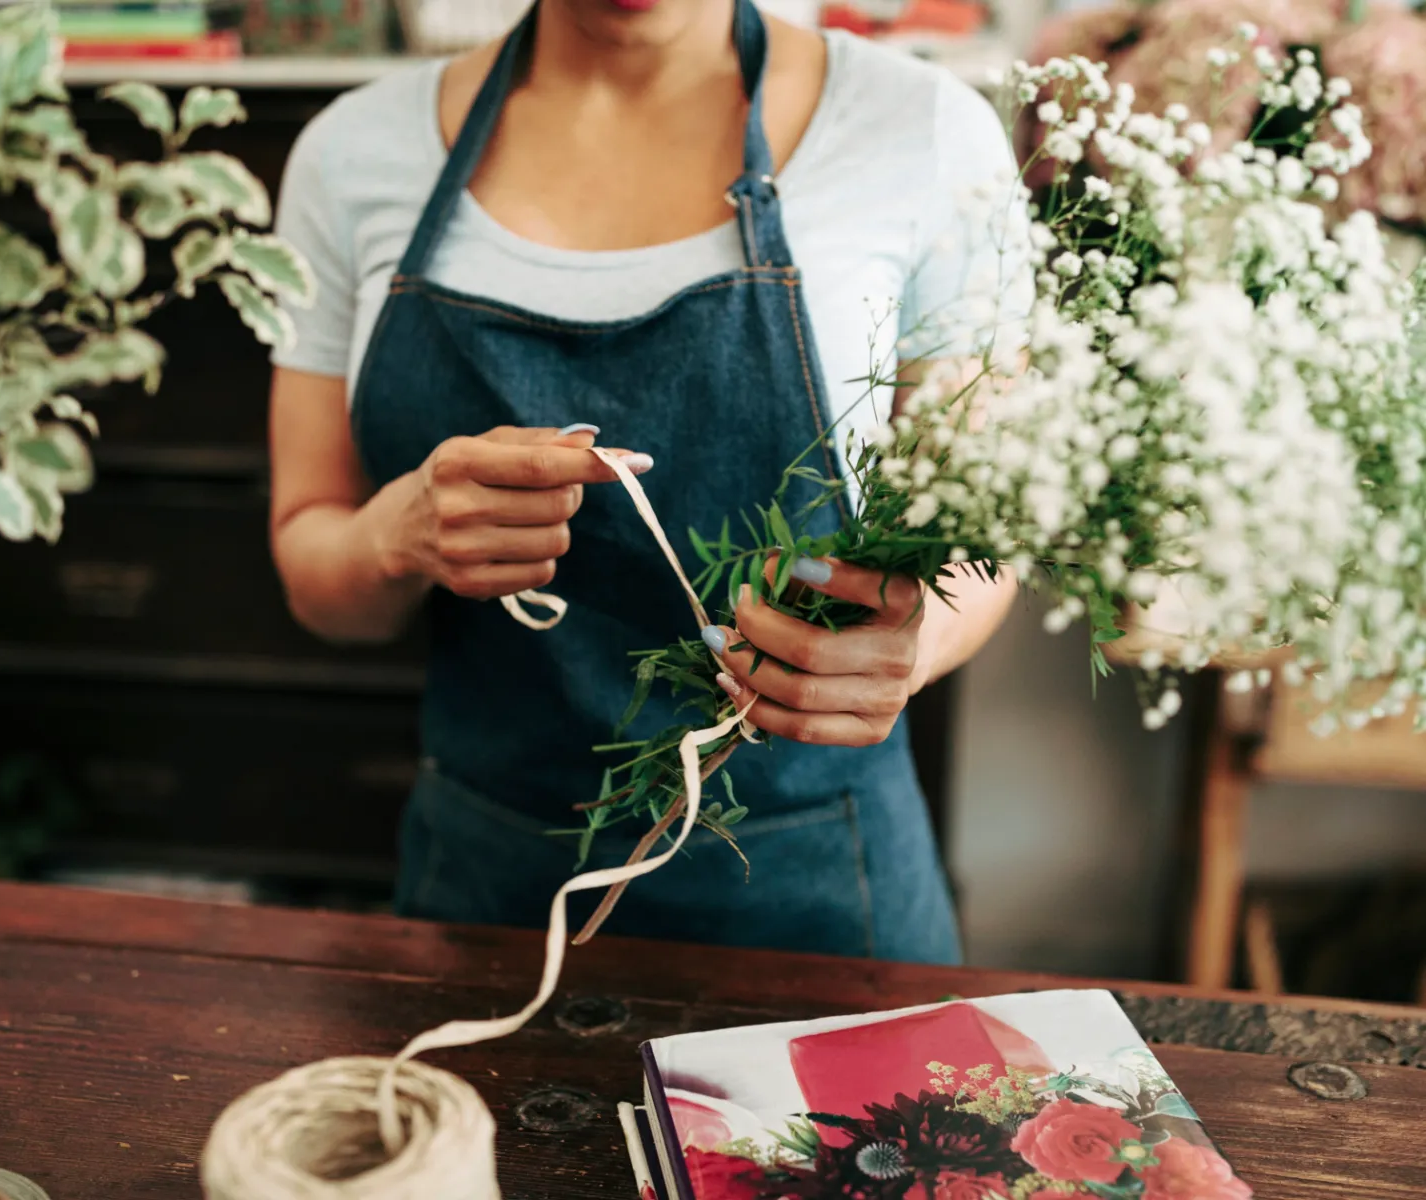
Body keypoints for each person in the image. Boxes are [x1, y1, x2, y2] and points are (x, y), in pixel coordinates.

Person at [268, 0, 1031, 963]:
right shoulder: (351, 155)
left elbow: (988, 532)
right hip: (484, 888)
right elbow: (317, 579)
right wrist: (394, 536)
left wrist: (913, 647)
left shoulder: (921, 129)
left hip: (822, 894)